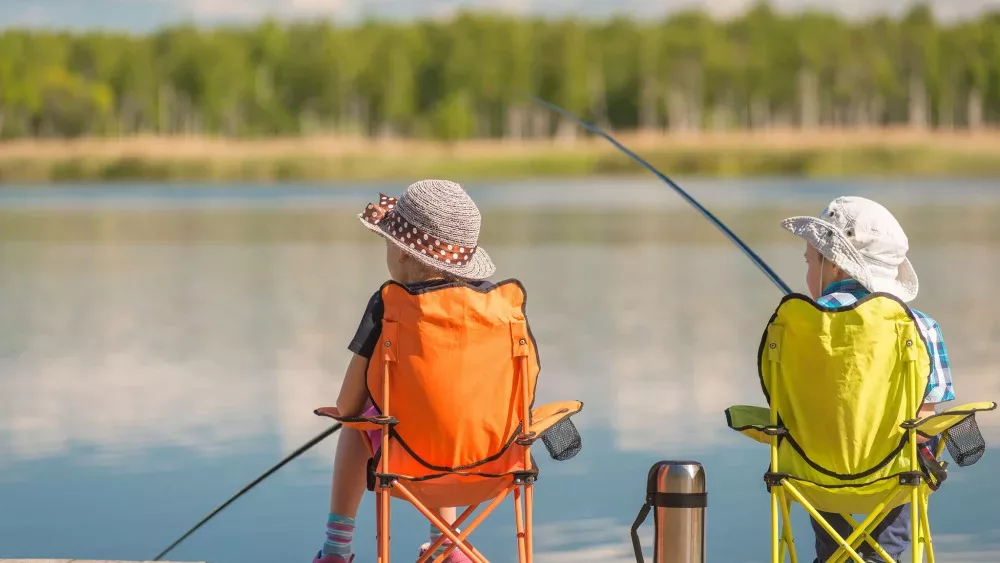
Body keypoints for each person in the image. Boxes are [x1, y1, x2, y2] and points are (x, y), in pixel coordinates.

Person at [314, 179, 497, 563]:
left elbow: (348, 403)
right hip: (492, 457)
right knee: (447, 422)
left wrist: (352, 412)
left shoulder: (389, 306)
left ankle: (336, 548)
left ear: (401, 254)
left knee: (355, 426)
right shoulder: (496, 305)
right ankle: (448, 544)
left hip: (409, 456)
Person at [780, 196, 954, 563]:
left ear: (833, 265)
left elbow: (782, 403)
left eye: (810, 262)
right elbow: (926, 418)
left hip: (814, 479)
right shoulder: (920, 327)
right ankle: (882, 554)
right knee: (919, 439)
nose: (807, 272)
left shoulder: (794, 326)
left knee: (808, 436)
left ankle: (834, 553)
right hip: (893, 482)